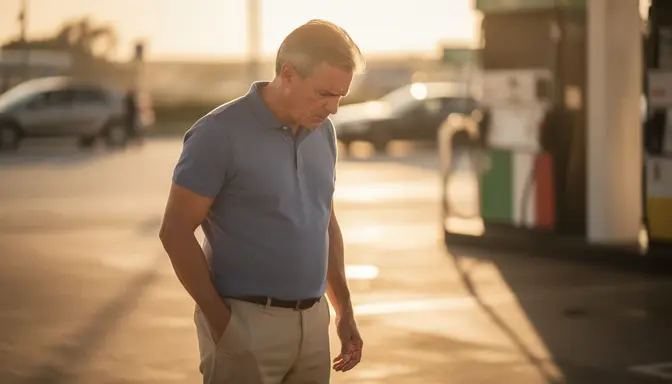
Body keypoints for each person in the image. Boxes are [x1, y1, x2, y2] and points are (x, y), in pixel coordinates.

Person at [159, 19, 365, 383]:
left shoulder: (324, 132)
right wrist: (222, 324)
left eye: (340, 96)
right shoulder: (219, 133)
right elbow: (174, 232)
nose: (332, 108)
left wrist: (343, 309)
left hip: (314, 324)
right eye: (323, 93)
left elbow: (324, 221)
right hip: (245, 324)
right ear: (287, 73)